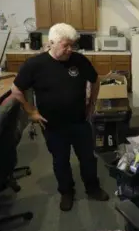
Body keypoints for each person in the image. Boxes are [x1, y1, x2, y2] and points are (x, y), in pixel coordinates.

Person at [11, 23, 108, 211]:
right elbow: (16, 89)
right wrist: (31, 111)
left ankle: (93, 188)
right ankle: (67, 192)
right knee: (60, 161)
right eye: (66, 45)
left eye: (72, 45)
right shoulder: (35, 65)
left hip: (79, 122)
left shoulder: (79, 60)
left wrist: (91, 104)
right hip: (53, 126)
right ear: (52, 43)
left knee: (88, 158)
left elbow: (95, 81)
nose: (70, 49)